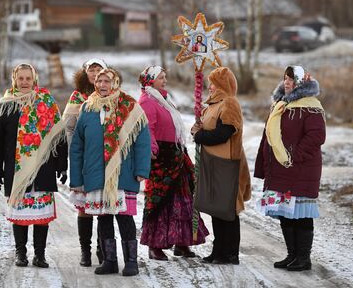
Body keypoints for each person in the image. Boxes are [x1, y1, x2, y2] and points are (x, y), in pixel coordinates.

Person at [69, 68, 151, 277]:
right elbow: (77, 146)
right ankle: (110, 261)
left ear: (115, 83)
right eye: (99, 81)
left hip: (123, 173)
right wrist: (77, 178)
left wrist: (142, 169)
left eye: (107, 81)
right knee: (103, 218)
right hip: (96, 173)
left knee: (124, 218)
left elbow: (142, 141)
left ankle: (131, 261)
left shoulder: (130, 106)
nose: (103, 85)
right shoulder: (88, 108)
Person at [0, 63, 68, 269]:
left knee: (41, 217)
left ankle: (39, 255)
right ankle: (20, 253)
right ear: (14, 79)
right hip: (17, 169)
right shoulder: (4, 106)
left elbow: (58, 137)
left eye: (28, 79)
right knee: (20, 215)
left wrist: (61, 165)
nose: (24, 82)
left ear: (34, 80)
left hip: (43, 168)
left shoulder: (47, 103)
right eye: (20, 78)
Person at [254, 65, 325, 271]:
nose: (287, 82)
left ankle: (304, 258)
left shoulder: (311, 106)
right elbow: (268, 137)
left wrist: (294, 156)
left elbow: (316, 136)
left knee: (301, 215)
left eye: (292, 79)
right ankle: (292, 255)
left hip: (301, 168)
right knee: (286, 213)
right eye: (285, 78)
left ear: (301, 82)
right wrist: (266, 163)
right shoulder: (280, 105)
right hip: (281, 168)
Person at [138, 65, 208, 260]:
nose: (165, 80)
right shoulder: (147, 101)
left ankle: (182, 243)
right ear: (150, 80)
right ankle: (154, 245)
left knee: (182, 201)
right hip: (161, 157)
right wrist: (152, 150)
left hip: (176, 155)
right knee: (160, 202)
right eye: (161, 77)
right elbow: (146, 129)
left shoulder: (163, 100)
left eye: (165, 77)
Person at [191, 66, 251, 265]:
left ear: (223, 85)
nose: (210, 87)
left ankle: (230, 253)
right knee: (217, 209)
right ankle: (218, 251)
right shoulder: (213, 106)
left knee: (227, 211)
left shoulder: (229, 103)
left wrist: (200, 136)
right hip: (213, 163)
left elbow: (223, 133)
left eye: (213, 84)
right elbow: (207, 130)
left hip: (227, 164)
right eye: (209, 84)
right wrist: (197, 129)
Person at [63, 58, 107, 267]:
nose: (95, 72)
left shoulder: (111, 95)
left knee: (103, 204)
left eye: (99, 69)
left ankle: (102, 249)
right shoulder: (77, 97)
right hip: (83, 159)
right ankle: (85, 251)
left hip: (106, 159)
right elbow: (68, 127)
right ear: (85, 72)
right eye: (92, 69)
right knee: (84, 206)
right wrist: (76, 151)